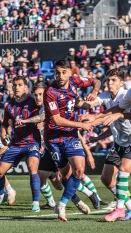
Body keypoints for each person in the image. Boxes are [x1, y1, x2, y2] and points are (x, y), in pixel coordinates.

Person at [43, 59, 101, 221]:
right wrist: (81, 125)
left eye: (63, 72)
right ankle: (85, 195)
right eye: (57, 73)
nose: (60, 76)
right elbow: (57, 120)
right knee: (67, 176)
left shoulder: (75, 81)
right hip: (53, 138)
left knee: (79, 171)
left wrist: (95, 92)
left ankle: (61, 205)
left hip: (70, 136)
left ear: (70, 72)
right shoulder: (50, 92)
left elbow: (96, 81)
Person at [80, 68, 131, 221]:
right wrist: (75, 100)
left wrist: (95, 118)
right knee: (106, 179)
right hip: (118, 143)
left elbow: (113, 115)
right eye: (108, 80)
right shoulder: (106, 96)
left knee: (123, 171)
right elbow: (91, 106)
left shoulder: (126, 94)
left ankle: (119, 208)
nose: (109, 83)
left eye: (113, 80)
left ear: (121, 83)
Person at [0, 76, 41, 212]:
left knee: (32, 168)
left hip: (32, 142)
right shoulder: (10, 106)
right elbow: (5, 124)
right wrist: (3, 133)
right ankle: (1, 195)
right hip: (16, 144)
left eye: (19, 85)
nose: (16, 87)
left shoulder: (33, 101)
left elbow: (42, 116)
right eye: (14, 85)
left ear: (25, 87)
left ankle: (35, 203)